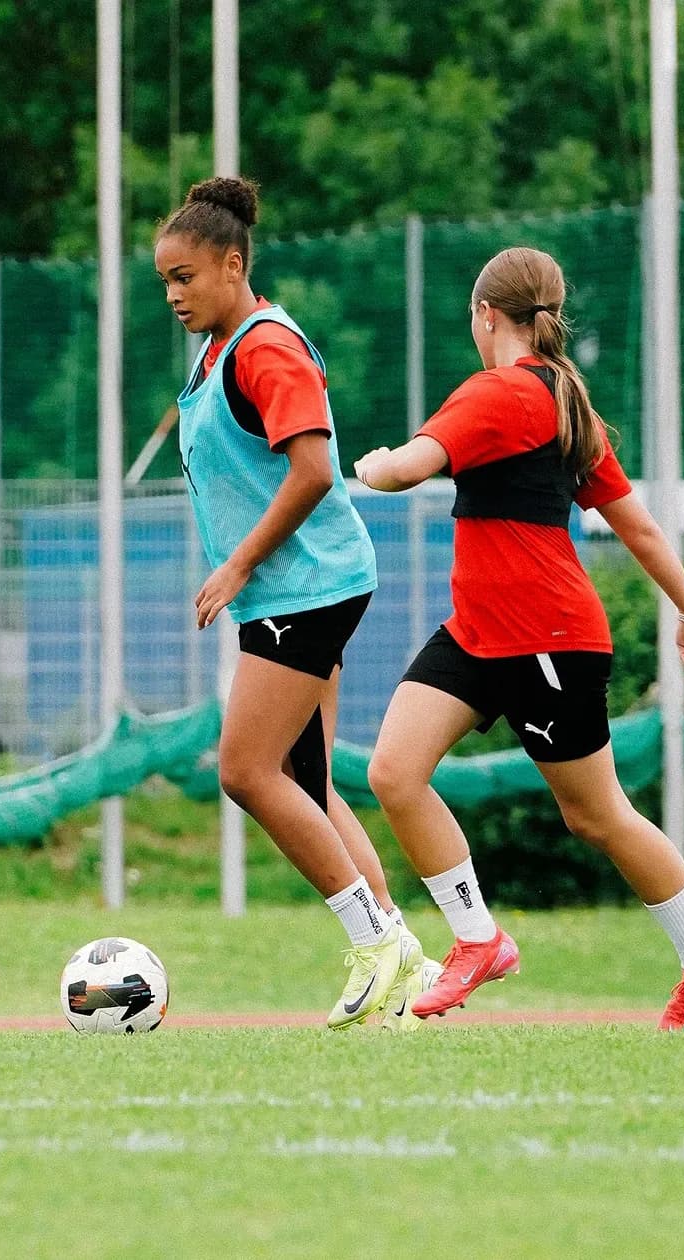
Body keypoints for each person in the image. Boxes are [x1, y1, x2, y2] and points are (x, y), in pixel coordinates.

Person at [354, 246, 684, 1031]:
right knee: (394, 772)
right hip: (479, 633)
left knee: (596, 816)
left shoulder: (504, 393)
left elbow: (407, 470)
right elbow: (638, 527)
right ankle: (479, 940)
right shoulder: (565, 401)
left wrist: (373, 466)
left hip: (547, 638)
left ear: (485, 316)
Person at [155, 176, 440, 1031]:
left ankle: (371, 942)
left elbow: (315, 472)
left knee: (246, 771)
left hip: (306, 589)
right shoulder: (219, 352)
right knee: (304, 782)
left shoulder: (266, 348)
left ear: (233, 265)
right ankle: (404, 957)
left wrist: (238, 566)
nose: (173, 295)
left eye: (185, 277)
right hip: (302, 588)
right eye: (165, 281)